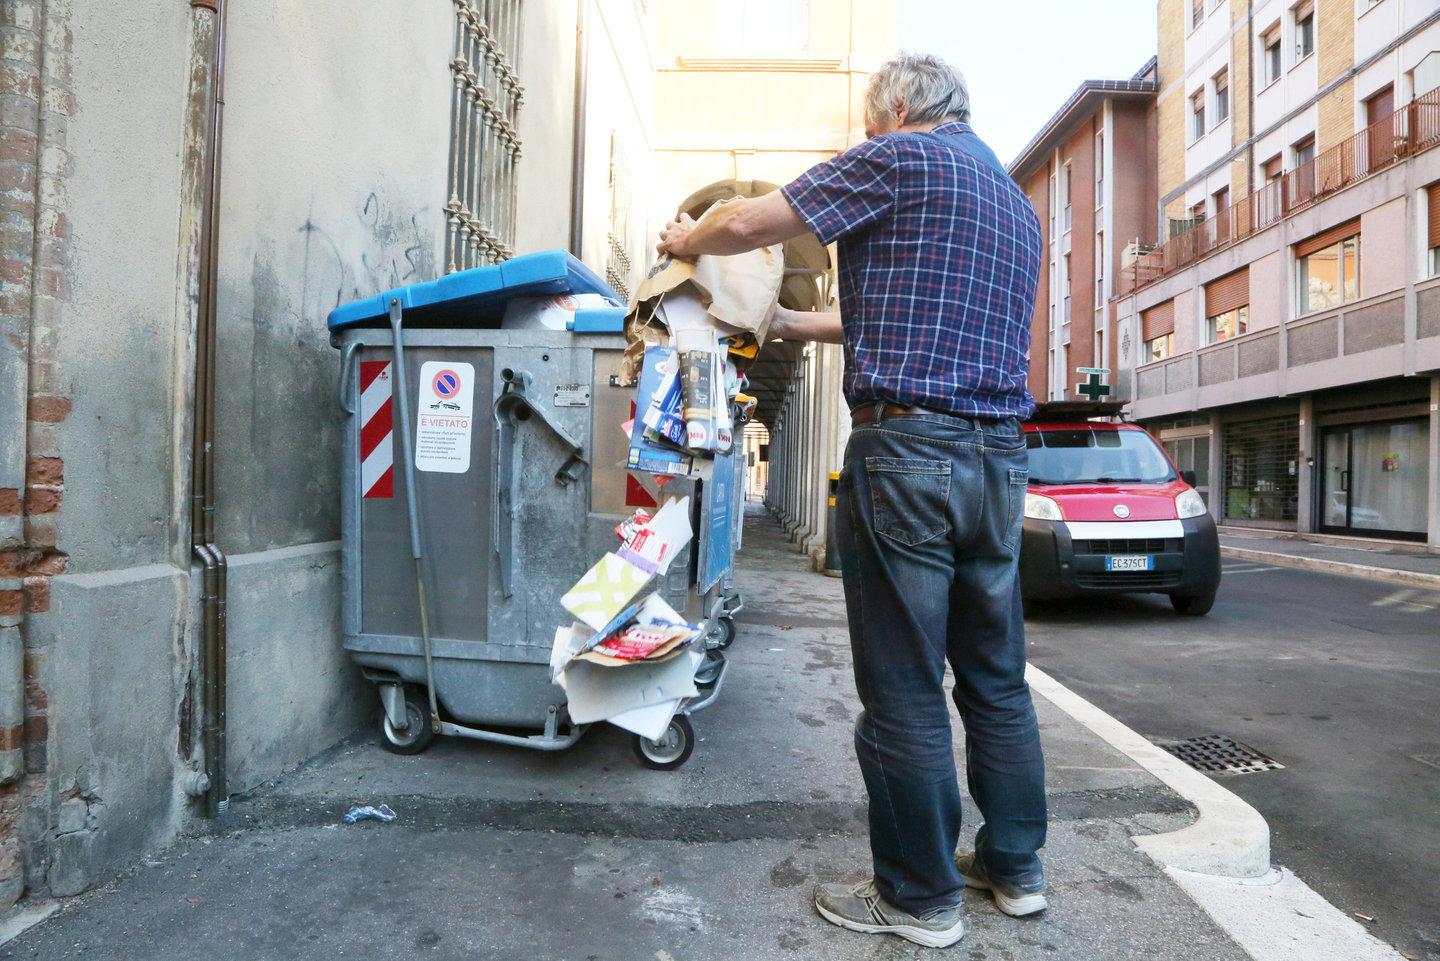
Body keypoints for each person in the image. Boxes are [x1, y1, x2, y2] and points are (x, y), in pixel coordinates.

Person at [656, 52, 1047, 949]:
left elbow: (756, 219)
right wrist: (793, 323)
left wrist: (689, 240)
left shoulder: (902, 154)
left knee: (905, 682)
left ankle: (919, 896)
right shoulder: (1012, 203)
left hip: (909, 450)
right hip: (997, 458)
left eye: (872, 122)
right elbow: (915, 307)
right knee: (995, 677)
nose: (866, 139)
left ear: (899, 106)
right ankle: (1015, 868)